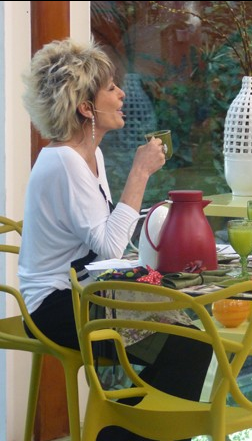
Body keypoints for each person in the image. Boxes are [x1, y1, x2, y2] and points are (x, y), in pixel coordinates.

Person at [18, 38, 213, 441]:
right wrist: (140, 173)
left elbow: (103, 239)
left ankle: (117, 429)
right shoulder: (65, 161)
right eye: (111, 88)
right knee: (190, 346)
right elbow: (108, 246)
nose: (122, 94)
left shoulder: (90, 155)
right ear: (86, 108)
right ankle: (118, 432)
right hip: (55, 305)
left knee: (191, 338)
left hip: (85, 290)